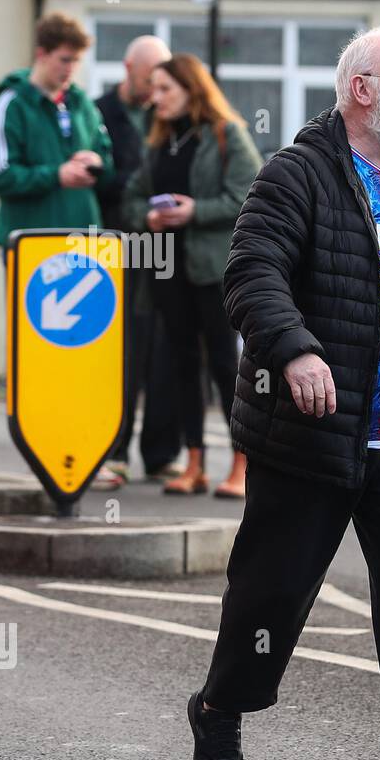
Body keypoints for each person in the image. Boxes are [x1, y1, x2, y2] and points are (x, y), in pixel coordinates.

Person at [187, 27, 380, 760]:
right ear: (363, 89)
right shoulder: (300, 174)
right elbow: (251, 271)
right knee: (273, 591)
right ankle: (221, 709)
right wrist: (293, 351)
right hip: (313, 430)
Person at [122, 54, 260, 498]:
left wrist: (193, 211)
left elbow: (248, 196)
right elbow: (132, 197)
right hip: (167, 268)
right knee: (182, 364)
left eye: (165, 89)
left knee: (225, 365)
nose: (155, 98)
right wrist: (149, 216)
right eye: (154, 89)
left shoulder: (226, 135)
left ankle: (241, 463)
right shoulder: (159, 141)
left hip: (214, 271)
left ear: (191, 90)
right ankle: (194, 462)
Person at [92, 35, 181, 491]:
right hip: (115, 245)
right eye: (149, 79)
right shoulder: (98, 111)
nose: (155, 90)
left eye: (161, 81)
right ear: (128, 68)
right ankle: (114, 450)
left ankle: (161, 453)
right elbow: (103, 181)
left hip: (161, 246)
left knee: (164, 347)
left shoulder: (163, 116)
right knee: (121, 350)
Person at [0, 12, 113, 248]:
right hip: (31, 243)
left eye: (77, 61)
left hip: (82, 241)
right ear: (41, 53)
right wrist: (57, 175)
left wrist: (96, 163)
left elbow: (107, 163)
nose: (71, 69)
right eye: (65, 60)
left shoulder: (83, 103)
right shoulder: (12, 104)